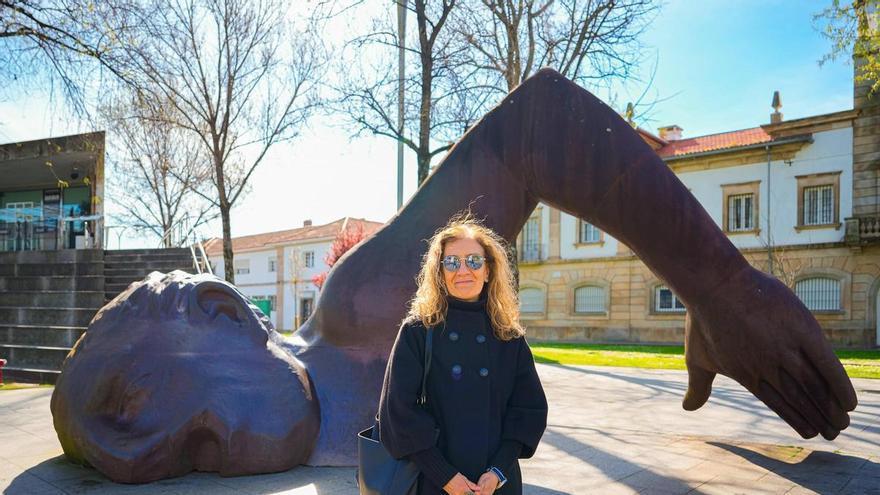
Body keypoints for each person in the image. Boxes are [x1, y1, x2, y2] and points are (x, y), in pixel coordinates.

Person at [378, 215, 548, 495]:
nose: (463, 270)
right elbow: (397, 412)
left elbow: (528, 411)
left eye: (474, 261)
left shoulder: (509, 336)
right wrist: (444, 476)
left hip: (496, 484)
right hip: (433, 482)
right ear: (440, 272)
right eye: (452, 262)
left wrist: (498, 472)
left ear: (488, 271)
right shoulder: (418, 331)